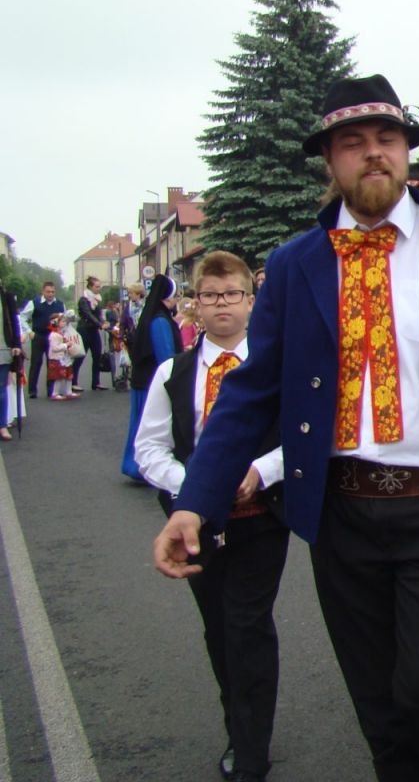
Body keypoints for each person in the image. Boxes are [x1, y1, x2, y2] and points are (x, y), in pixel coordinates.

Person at [152, 74, 419, 782]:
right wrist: (195, 501)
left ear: (404, 151)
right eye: (353, 142)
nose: (373, 153)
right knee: (381, 707)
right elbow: (251, 393)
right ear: (330, 161)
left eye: (387, 138)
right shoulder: (297, 263)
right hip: (341, 512)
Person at [135, 251, 289, 782]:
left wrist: (263, 470)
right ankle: (236, 723)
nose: (221, 305)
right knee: (219, 630)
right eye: (209, 295)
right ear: (194, 305)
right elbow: (150, 450)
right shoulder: (172, 374)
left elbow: (301, 436)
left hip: (261, 518)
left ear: (251, 300)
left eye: (232, 295)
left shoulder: (273, 368)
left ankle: (251, 750)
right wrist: (198, 489)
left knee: (248, 625)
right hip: (197, 525)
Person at [122, 276, 183, 480]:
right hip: (150, 383)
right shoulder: (159, 320)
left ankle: (137, 466)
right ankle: (139, 466)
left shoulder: (155, 316)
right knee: (147, 427)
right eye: (175, 296)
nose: (176, 300)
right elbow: (166, 356)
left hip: (144, 380)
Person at [27, 281, 65, 399]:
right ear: (43, 291)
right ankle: (32, 390)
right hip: (38, 336)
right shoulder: (34, 303)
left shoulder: (60, 304)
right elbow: (22, 318)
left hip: (53, 337)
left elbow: (64, 321)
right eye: (48, 292)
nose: (50, 294)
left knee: (52, 364)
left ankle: (51, 390)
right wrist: (29, 332)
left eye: (53, 292)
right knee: (36, 363)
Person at [75, 276, 108, 391]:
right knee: (80, 355)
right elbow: (87, 314)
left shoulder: (96, 299)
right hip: (84, 330)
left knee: (97, 356)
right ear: (90, 286)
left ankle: (96, 382)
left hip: (93, 330)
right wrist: (100, 324)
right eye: (97, 286)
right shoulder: (84, 299)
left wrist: (103, 322)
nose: (99, 288)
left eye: (99, 286)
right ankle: (74, 382)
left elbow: (98, 314)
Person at [1, 283, 23, 440]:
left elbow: (14, 322)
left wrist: (16, 344)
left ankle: (2, 425)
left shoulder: (6, 296)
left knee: (1, 391)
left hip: (2, 348)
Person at [46, 313, 79, 401]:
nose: (64, 323)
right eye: (63, 321)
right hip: (57, 358)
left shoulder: (61, 333)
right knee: (59, 377)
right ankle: (55, 393)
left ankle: (68, 391)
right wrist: (65, 345)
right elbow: (54, 348)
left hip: (65, 358)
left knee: (69, 375)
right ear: (56, 323)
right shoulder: (53, 335)